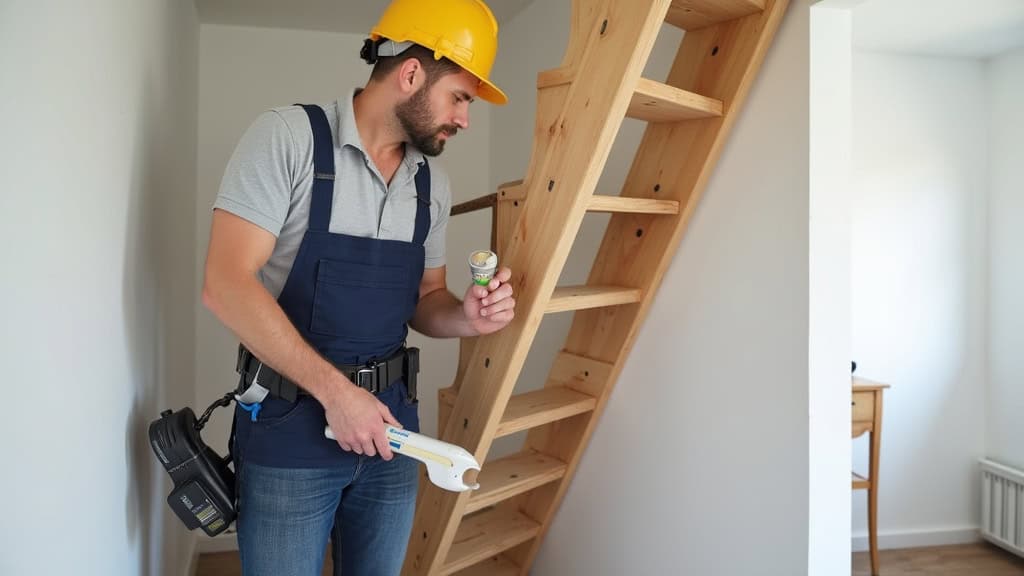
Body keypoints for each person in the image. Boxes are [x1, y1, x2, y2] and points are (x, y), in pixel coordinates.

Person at [200, 1, 514, 574]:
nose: (465, 119)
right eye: (460, 98)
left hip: (392, 434)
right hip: (288, 432)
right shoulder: (288, 139)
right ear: (411, 74)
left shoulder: (431, 185)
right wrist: (339, 397)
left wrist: (467, 317)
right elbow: (226, 284)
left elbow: (427, 300)